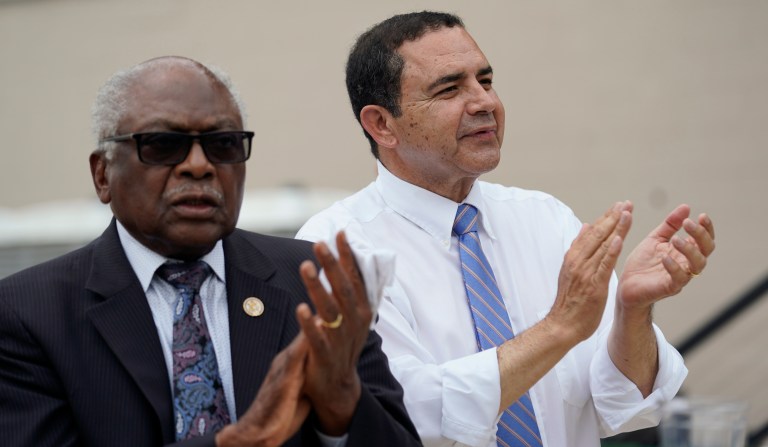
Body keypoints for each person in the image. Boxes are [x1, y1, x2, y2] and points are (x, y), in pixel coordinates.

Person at [297, 11, 715, 447]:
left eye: (486, 80)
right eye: (449, 88)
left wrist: (633, 313)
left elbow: (626, 404)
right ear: (382, 124)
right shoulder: (333, 246)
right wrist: (558, 328)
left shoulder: (544, 218)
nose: (484, 103)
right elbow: (404, 414)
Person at [0, 56, 421, 447]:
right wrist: (238, 441)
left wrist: (343, 408)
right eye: (163, 144)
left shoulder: (312, 281)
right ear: (102, 174)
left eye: (223, 144)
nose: (199, 165)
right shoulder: (27, 313)